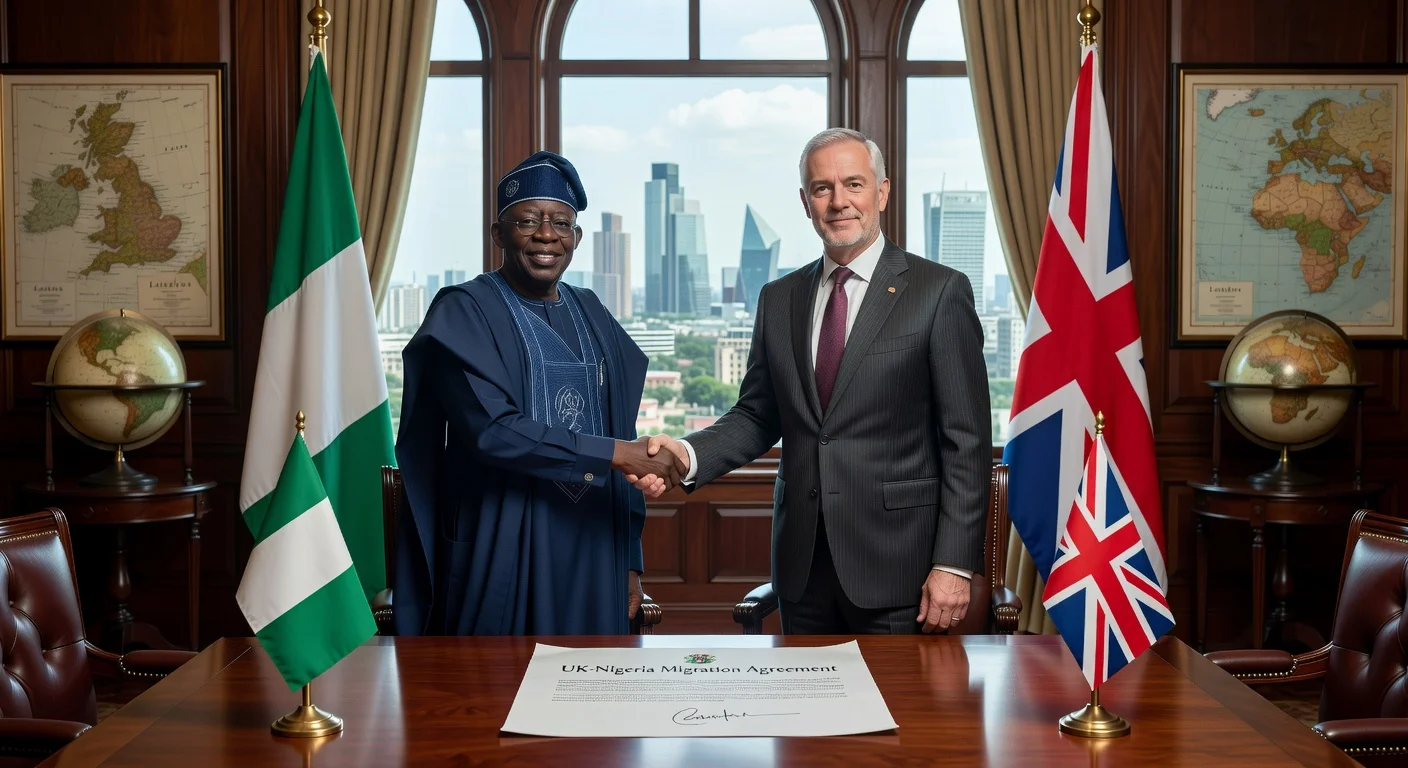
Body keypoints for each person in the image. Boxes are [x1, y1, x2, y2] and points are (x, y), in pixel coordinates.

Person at [635, 128, 991, 634]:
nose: (839, 201)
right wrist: (686, 455)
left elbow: (967, 442)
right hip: (802, 571)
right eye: (823, 188)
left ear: (882, 192)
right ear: (806, 202)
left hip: (901, 572)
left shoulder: (939, 291)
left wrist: (953, 564)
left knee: (897, 692)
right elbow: (757, 415)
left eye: (853, 184)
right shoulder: (779, 298)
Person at [394, 151, 682, 636]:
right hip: (501, 537)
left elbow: (622, 428)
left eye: (561, 223)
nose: (547, 235)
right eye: (528, 221)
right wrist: (619, 455)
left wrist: (631, 559)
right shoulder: (464, 311)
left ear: (577, 238)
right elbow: (492, 431)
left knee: (593, 676)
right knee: (499, 676)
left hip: (594, 543)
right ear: (498, 234)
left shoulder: (593, 312)